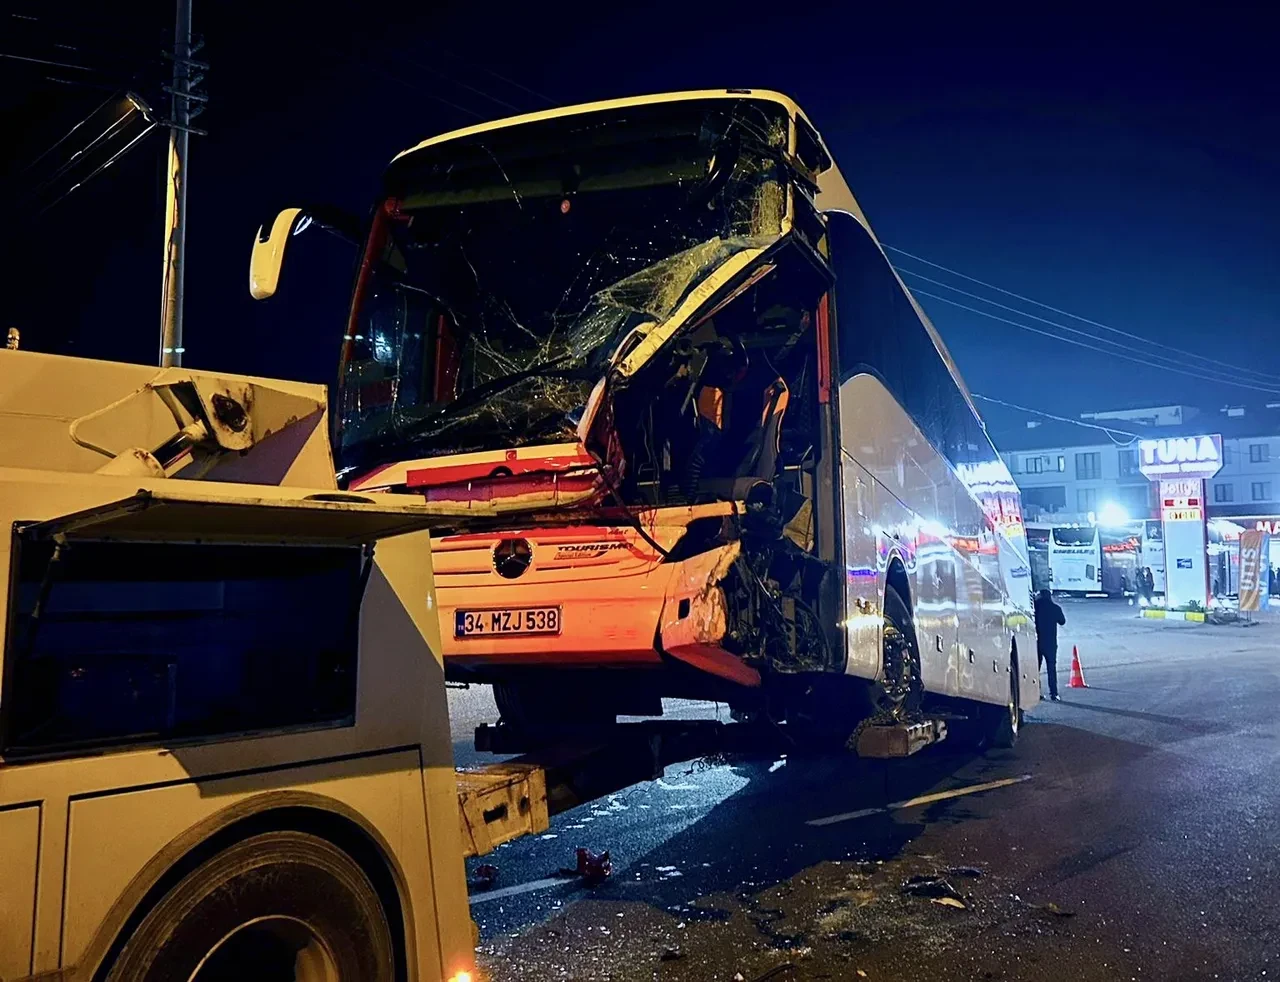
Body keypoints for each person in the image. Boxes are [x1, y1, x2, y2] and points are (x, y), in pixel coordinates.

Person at [1034, 588, 1066, 701]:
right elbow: (1062, 621)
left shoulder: (1035, 608)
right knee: (1051, 668)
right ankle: (1054, 693)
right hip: (1051, 643)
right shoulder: (1055, 608)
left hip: (1037, 642)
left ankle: (1036, 692)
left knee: (1035, 668)